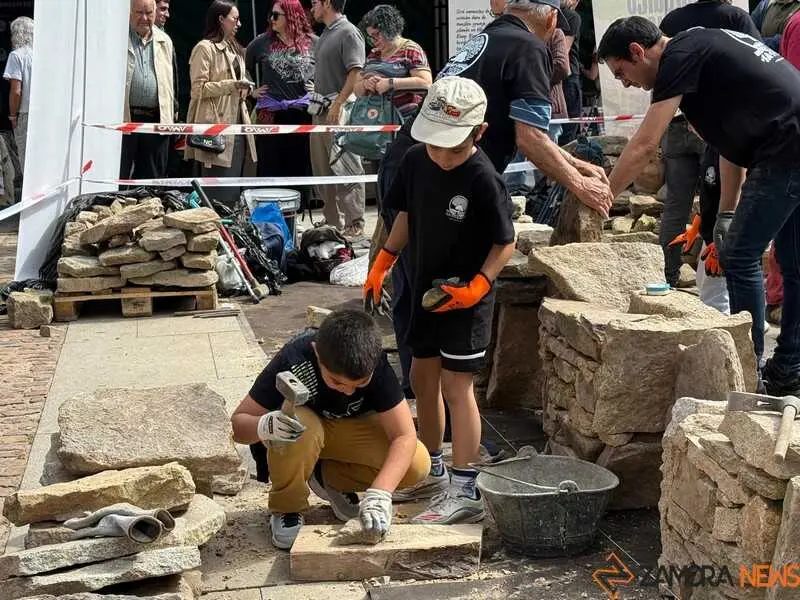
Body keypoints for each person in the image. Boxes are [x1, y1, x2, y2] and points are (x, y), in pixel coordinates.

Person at [375, 0, 612, 426]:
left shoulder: (490, 38)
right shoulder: (531, 48)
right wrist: (580, 185)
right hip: (436, 171)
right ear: (551, 20)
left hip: (419, 163)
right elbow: (530, 137)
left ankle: (431, 404)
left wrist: (575, 166)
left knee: (422, 281)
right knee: (434, 282)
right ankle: (437, 413)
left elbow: (531, 136)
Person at [598, 17, 800, 396]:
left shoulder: (678, 58)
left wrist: (602, 196)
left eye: (622, 72)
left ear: (638, 52)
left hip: (787, 144)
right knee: (791, 262)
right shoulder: (699, 50)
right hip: (787, 139)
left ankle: (749, 369)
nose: (625, 84)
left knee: (740, 255)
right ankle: (789, 368)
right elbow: (730, 146)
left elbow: (645, 144)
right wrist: (726, 213)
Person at [364, 76, 517, 524]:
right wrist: (384, 260)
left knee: (456, 386)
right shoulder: (416, 160)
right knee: (421, 376)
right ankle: (430, 466)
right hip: (423, 288)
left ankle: (466, 487)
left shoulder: (483, 178)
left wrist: (480, 285)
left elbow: (505, 242)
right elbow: (406, 215)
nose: (441, 155)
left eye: (452, 147)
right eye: (435, 144)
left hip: (465, 297)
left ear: (479, 133)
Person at [230, 309, 429, 549]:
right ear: (317, 353)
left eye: (360, 384)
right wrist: (264, 425)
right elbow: (237, 425)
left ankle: (329, 479)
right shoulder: (294, 359)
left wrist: (380, 493)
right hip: (301, 435)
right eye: (336, 381)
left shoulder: (376, 364)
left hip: (342, 434)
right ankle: (287, 507)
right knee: (299, 423)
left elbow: (404, 435)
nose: (348, 391)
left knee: (416, 464)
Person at [657, 0, 759, 288]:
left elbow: (662, 71)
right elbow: (756, 61)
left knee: (676, 203)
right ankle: (724, 272)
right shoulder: (736, 17)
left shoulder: (672, 21)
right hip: (720, 122)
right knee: (723, 196)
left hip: (676, 118)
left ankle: (667, 276)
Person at [185, 0, 257, 207]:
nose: (239, 24)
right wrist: (232, 85)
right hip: (216, 128)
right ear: (221, 19)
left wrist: (245, 89)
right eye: (235, 19)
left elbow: (238, 85)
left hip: (239, 126)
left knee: (236, 188)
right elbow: (198, 89)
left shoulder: (236, 50)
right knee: (217, 191)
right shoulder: (204, 48)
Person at [245, 0, 315, 206]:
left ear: (291, 16)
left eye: (276, 15)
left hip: (302, 112)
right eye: (271, 14)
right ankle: (269, 210)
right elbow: (241, 66)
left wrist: (318, 88)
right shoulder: (261, 42)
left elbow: (329, 69)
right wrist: (251, 90)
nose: (271, 19)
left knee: (300, 162)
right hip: (271, 112)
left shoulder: (314, 42)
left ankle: (296, 211)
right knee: (270, 164)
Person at [309, 0, 367, 241]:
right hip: (321, 109)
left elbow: (356, 71)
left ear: (327, 3)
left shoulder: (349, 32)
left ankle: (355, 222)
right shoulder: (326, 34)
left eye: (315, 2)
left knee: (346, 165)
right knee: (322, 168)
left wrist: (339, 103)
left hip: (338, 109)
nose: (311, 8)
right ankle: (333, 220)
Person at [121, 0, 177, 182]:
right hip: (125, 119)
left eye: (149, 13)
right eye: (139, 12)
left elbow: (171, 81)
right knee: (120, 175)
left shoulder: (165, 41)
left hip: (155, 120)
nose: (144, 18)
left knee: (151, 180)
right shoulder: (119, 36)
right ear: (129, 13)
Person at [355, 5, 432, 118]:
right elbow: (356, 90)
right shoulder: (373, 54)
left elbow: (426, 83)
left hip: (404, 120)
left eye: (376, 34)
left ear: (390, 29)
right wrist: (365, 84)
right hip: (376, 120)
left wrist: (390, 83)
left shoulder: (411, 50)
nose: (373, 40)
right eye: (370, 37)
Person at [3, 16, 33, 172]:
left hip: (25, 114)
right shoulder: (43, 55)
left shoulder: (16, 55)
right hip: (44, 113)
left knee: (26, 159)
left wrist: (13, 116)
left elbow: (16, 91)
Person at [557, 0, 582, 146]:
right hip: (567, 77)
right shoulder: (571, 16)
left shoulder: (540, 16)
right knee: (568, 131)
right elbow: (562, 53)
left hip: (549, 77)